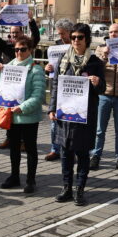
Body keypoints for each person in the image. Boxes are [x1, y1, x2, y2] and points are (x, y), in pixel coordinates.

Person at [48, 24, 105, 205]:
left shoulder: (95, 62)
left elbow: (102, 89)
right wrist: (51, 108)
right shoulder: (64, 60)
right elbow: (56, 84)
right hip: (65, 115)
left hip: (84, 115)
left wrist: (98, 82)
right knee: (65, 153)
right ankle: (66, 188)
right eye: (73, 37)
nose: (76, 41)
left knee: (82, 154)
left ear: (87, 39)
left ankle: (80, 190)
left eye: (80, 37)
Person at [0, 37, 45, 193]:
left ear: (30, 51)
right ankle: (14, 176)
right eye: (16, 49)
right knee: (14, 148)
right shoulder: (9, 66)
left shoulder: (36, 69)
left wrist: (23, 107)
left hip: (28, 116)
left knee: (30, 148)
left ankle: (31, 179)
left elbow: (39, 94)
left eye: (23, 49)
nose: (19, 52)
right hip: (12, 115)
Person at [0, 9, 40, 150]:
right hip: (10, 82)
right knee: (8, 110)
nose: (14, 35)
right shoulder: (7, 46)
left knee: (22, 110)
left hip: (24, 82)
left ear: (22, 33)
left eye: (16, 33)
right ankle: (9, 138)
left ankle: (24, 141)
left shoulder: (26, 45)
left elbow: (35, 37)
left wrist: (31, 20)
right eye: (12, 33)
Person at [91, 23, 118, 173]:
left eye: (115, 32)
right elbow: (94, 69)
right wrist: (104, 56)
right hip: (104, 94)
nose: (112, 34)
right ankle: (95, 156)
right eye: (110, 32)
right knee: (99, 129)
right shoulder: (101, 48)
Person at [43, 18, 73, 161]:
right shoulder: (55, 46)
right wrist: (47, 69)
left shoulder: (77, 44)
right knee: (54, 119)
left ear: (70, 32)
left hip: (72, 87)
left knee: (72, 120)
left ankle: (71, 150)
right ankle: (55, 149)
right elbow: (51, 68)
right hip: (57, 85)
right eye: (59, 34)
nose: (60, 36)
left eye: (63, 33)